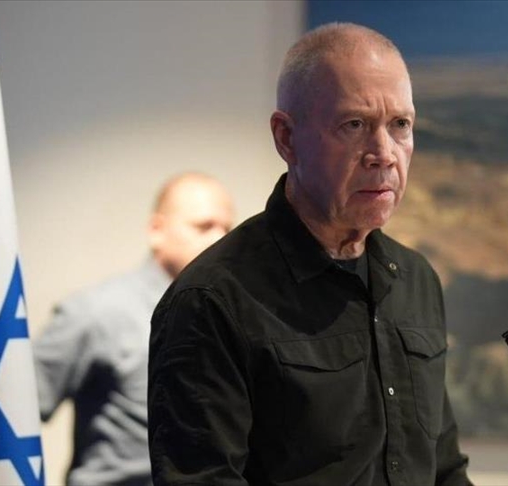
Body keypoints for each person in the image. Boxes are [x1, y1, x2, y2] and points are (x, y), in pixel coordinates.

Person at [148, 23, 472, 486]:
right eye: (354, 125)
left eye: (400, 125)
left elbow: (443, 468)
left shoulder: (416, 279)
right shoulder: (212, 300)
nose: (383, 154)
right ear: (286, 138)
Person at [33, 173, 235, 486]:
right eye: (203, 226)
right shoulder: (96, 313)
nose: (220, 239)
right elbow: (11, 414)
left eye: (227, 229)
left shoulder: (234, 316)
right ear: (157, 230)